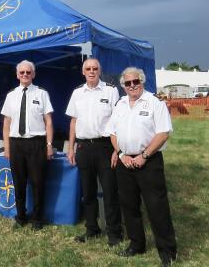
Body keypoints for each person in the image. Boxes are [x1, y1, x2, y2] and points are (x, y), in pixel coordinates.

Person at [108, 67, 177, 267]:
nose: (132, 86)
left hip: (149, 162)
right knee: (129, 206)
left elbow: (163, 132)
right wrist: (121, 154)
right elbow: (112, 132)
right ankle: (136, 244)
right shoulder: (120, 104)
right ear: (123, 86)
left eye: (135, 82)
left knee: (157, 207)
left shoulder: (155, 102)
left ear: (142, 81)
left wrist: (144, 155)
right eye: (127, 83)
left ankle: (167, 251)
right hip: (125, 162)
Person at [65, 58, 123, 246]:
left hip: (105, 146)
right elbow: (73, 122)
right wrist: (71, 148)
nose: (91, 71)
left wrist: (117, 149)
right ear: (83, 72)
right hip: (83, 147)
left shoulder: (111, 90)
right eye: (88, 68)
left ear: (100, 70)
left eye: (95, 68)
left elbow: (118, 121)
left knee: (110, 191)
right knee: (88, 192)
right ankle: (92, 229)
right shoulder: (77, 93)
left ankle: (114, 233)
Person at [1, 60, 54, 230]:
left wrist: (49, 144)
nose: (25, 75)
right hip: (16, 144)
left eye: (28, 72)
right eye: (22, 72)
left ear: (34, 74)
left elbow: (49, 122)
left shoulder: (41, 93)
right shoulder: (11, 95)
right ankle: (21, 217)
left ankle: (37, 219)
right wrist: (7, 147)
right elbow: (6, 124)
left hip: (36, 143)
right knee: (19, 182)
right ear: (17, 75)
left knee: (38, 182)